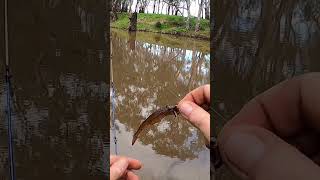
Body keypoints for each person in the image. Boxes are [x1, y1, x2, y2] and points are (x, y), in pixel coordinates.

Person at [110, 85, 211, 180]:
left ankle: (136, 135)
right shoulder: (174, 110)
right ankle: (136, 135)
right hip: (154, 118)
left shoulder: (175, 110)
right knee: (146, 124)